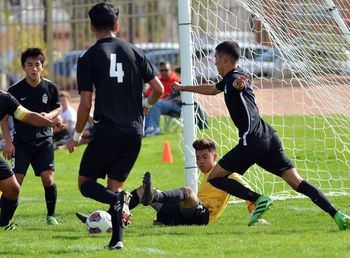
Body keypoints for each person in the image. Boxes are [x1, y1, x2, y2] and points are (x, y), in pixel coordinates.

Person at [170, 41, 350, 230]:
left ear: (224, 59)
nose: (214, 62)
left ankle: (257, 199)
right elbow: (213, 89)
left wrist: (239, 86)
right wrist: (183, 88)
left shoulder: (236, 78)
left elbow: (238, 84)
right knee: (296, 182)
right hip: (269, 137)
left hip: (252, 140)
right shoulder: (230, 78)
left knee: (214, 177)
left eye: (215, 58)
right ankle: (337, 214)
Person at [65, 2, 163, 250]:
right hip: (134, 131)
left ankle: (120, 201)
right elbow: (159, 89)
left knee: (86, 183)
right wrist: (145, 104)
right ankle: (117, 239)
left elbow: (86, 103)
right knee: (114, 186)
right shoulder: (136, 52)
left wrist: (76, 135)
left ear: (91, 27)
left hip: (108, 130)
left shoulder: (88, 57)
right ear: (117, 26)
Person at [76, 139, 267, 227]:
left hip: (203, 217)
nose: (200, 161)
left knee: (187, 191)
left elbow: (246, 195)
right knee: (142, 190)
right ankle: (105, 219)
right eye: (198, 157)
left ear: (215, 156)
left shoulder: (228, 176)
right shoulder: (207, 173)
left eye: (205, 157)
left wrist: (257, 218)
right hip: (184, 214)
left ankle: (156, 197)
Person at [1, 48, 61, 226]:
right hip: (21, 143)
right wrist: (8, 142)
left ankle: (51, 215)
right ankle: (5, 217)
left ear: (43, 67)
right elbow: (5, 118)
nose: (34, 69)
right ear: (23, 67)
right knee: (14, 183)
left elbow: (56, 108)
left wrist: (49, 119)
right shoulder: (13, 91)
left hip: (44, 141)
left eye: (37, 65)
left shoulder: (50, 87)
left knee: (48, 179)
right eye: (30, 65)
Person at [144, 61, 181, 136]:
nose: (164, 72)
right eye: (162, 70)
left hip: (176, 106)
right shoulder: (158, 80)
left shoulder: (176, 80)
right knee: (147, 102)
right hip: (162, 105)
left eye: (166, 70)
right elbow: (148, 94)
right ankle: (147, 128)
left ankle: (155, 128)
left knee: (155, 103)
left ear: (170, 70)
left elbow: (182, 96)